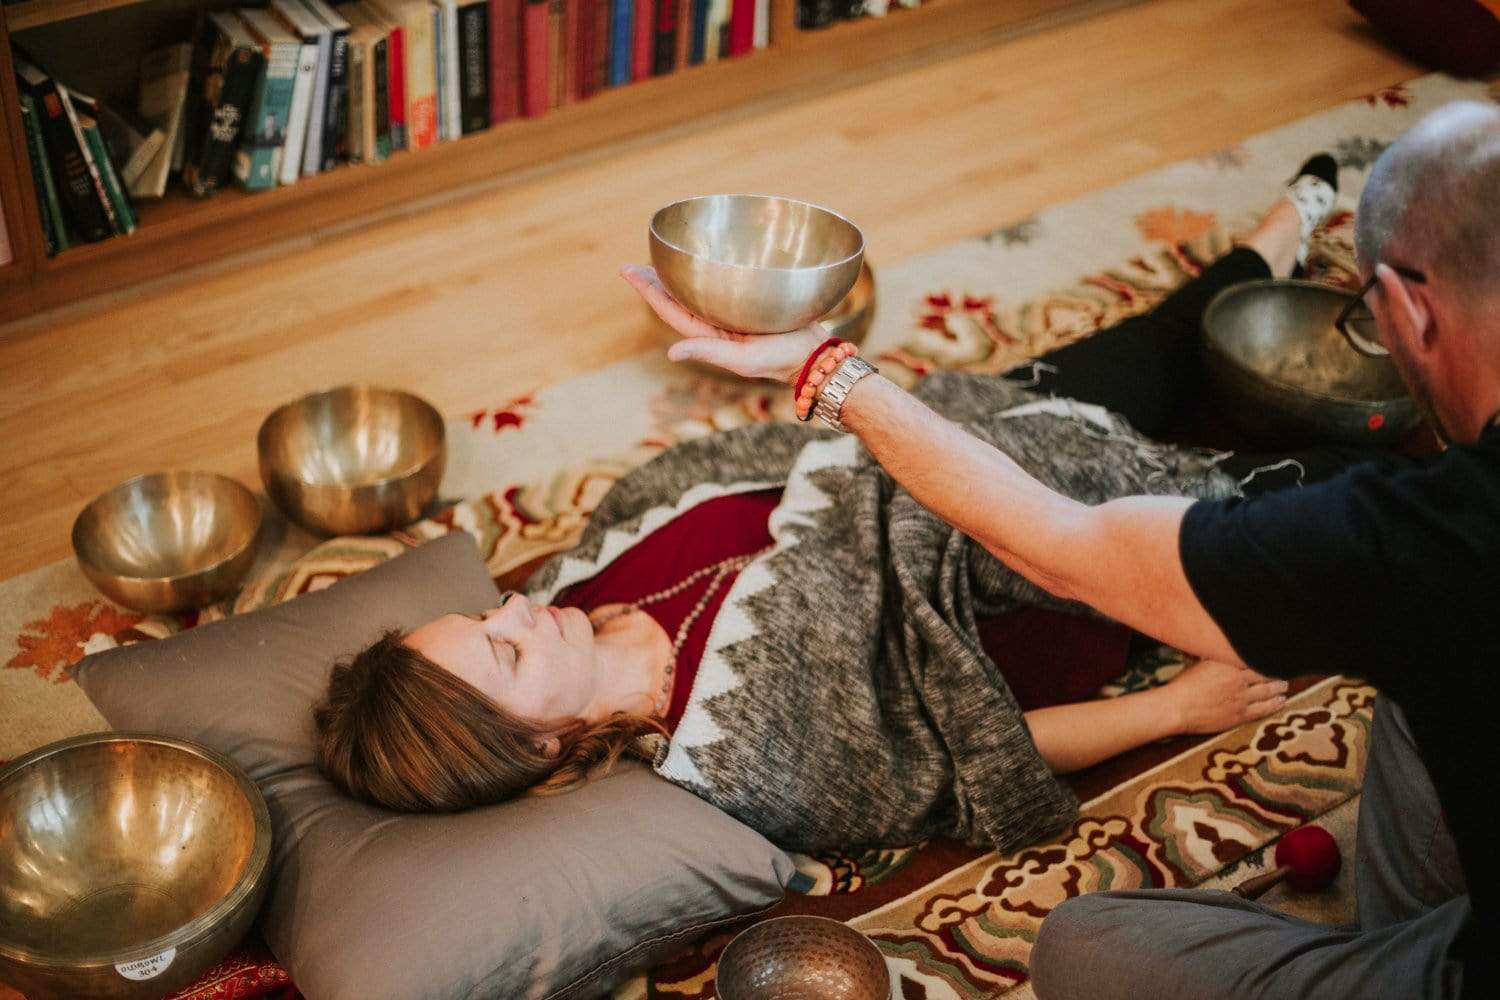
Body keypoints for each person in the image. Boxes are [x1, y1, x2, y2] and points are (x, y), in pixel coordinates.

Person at [314, 156, 1369, 857]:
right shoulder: (741, 759)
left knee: (1150, 346)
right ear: (540, 746)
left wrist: (885, 410)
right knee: (1338, 492)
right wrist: (1174, 711)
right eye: (504, 650)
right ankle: (1284, 304)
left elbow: (773, 457)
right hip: (1041, 568)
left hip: (958, 432)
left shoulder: (578, 579)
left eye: (483, 614)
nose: (514, 605)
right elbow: (957, 767)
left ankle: (1280, 234)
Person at [1022, 102, 1500, 999]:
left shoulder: (1432, 536)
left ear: (1407, 307)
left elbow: (1071, 552)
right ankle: (1279, 232)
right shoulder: (1433, 549)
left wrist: (833, 379)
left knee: (1078, 946)